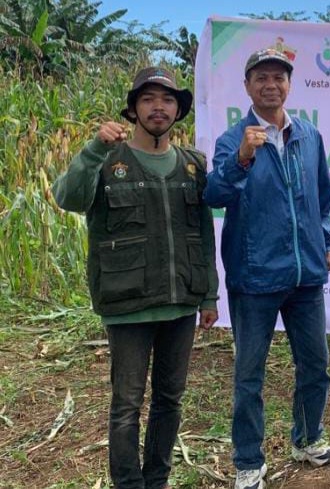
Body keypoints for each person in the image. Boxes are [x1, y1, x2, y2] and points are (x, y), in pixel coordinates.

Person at [52, 66, 219, 489]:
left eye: (166, 100)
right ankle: (129, 484)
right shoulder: (108, 159)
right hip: (127, 306)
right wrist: (92, 149)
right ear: (132, 110)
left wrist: (209, 296)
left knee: (169, 400)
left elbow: (202, 234)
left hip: (180, 301)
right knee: (126, 404)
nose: (158, 107)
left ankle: (157, 479)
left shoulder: (193, 166)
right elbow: (67, 198)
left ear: (178, 110)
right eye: (148, 99)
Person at [204, 48, 330, 489]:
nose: (271, 84)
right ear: (247, 86)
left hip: (305, 278)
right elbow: (214, 193)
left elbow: (323, 200)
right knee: (250, 375)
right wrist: (242, 157)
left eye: (278, 77)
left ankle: (307, 438)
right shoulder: (233, 139)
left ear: (289, 84)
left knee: (315, 365)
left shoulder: (309, 136)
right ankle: (248, 461)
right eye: (261, 77)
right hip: (256, 278)